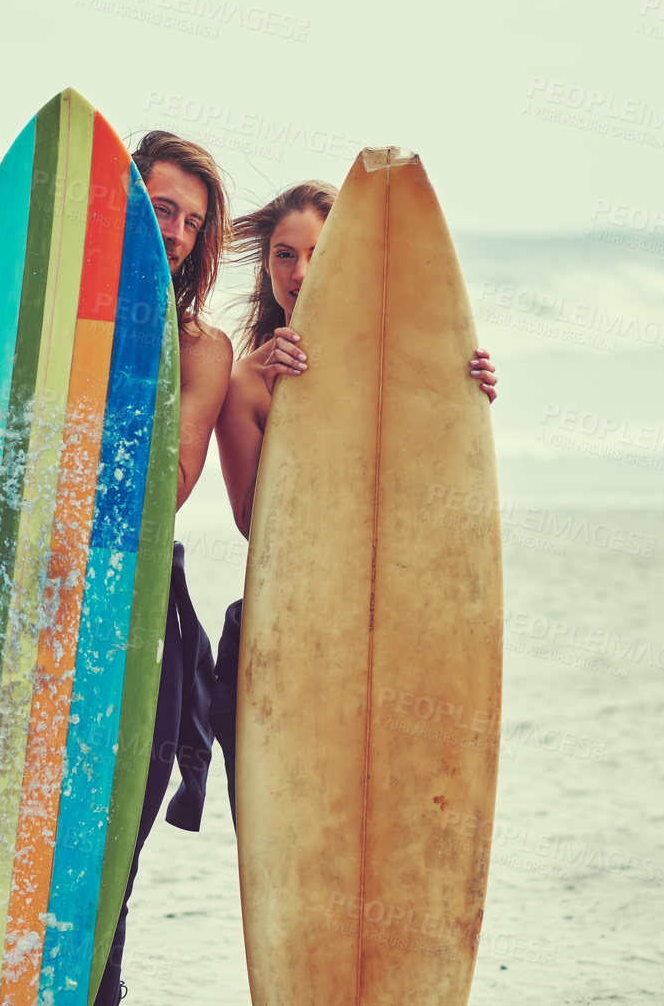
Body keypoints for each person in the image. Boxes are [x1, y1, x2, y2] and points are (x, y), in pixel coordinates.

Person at [209, 181, 498, 815]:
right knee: (293, 848)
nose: (300, 272)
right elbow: (255, 525)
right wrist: (296, 409)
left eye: (318, 253)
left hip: (390, 640)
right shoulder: (249, 384)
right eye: (283, 254)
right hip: (283, 643)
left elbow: (434, 507)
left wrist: (463, 402)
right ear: (266, 264)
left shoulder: (408, 375)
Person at [91, 132, 233, 1006]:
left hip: (140, 620)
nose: (173, 230)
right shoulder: (56, 321)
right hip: (40, 601)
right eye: (158, 206)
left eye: (189, 218)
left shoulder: (201, 348)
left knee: (107, 864)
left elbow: (170, 487)